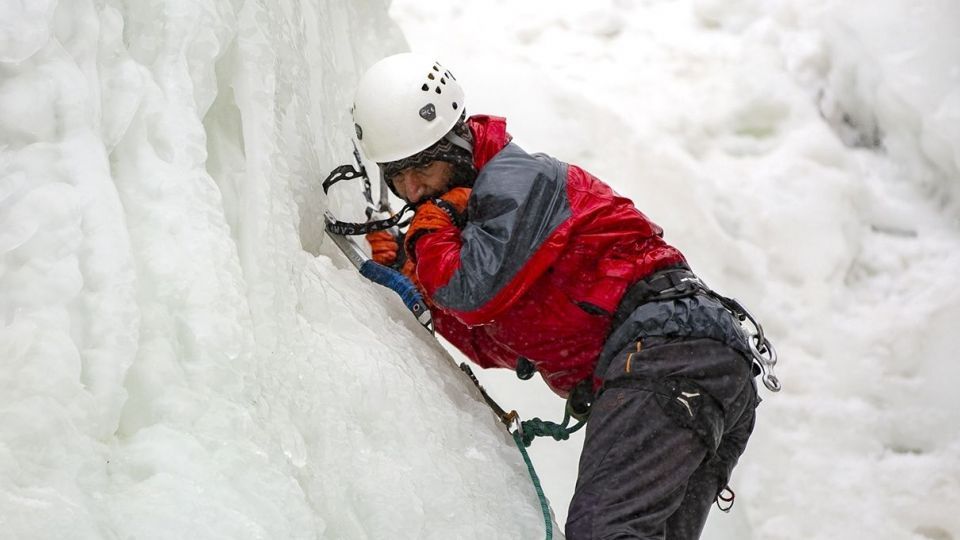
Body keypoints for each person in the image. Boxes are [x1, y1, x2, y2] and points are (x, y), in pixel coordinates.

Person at [352, 53, 762, 540]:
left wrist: (429, 230)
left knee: (604, 531)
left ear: (457, 146)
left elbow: (468, 291)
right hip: (692, 362)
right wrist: (410, 279)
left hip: (669, 355)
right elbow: (489, 338)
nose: (412, 187)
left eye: (423, 166)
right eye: (397, 175)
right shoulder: (488, 227)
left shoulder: (516, 180)